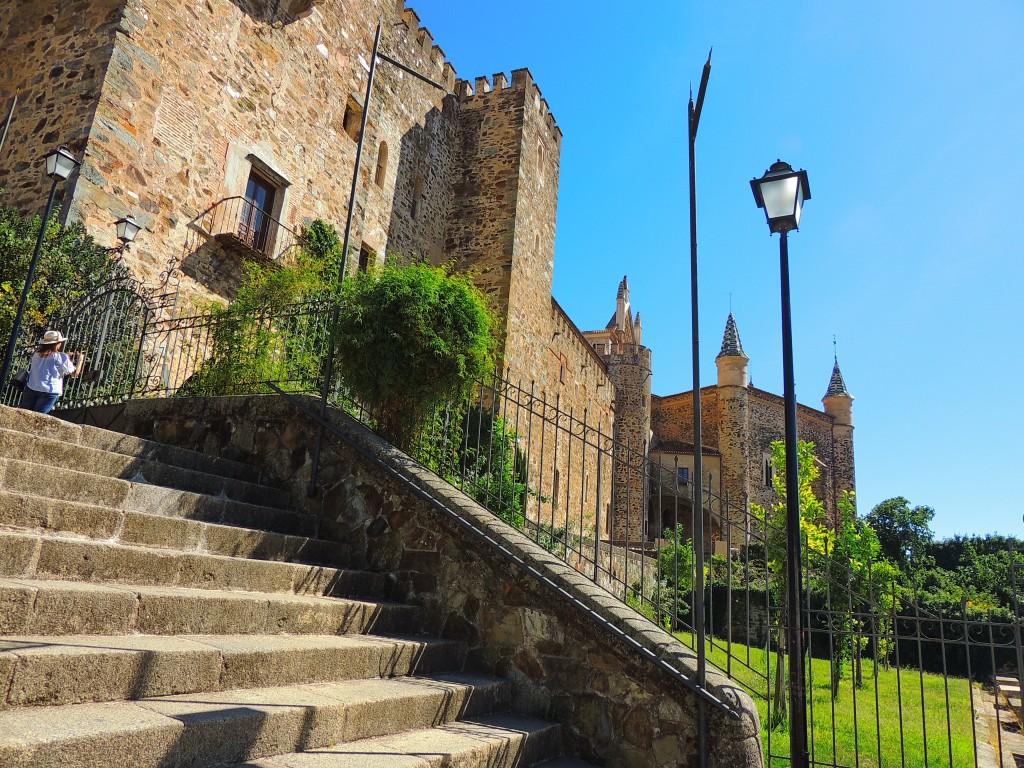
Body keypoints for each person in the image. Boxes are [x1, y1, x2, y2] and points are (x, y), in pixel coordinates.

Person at [19, 330, 85, 414]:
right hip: (49, 391)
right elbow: (74, 373)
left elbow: (50, 357)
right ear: (57, 343)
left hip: (31, 387)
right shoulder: (62, 357)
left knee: (24, 414)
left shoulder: (36, 354)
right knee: (38, 418)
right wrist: (80, 360)